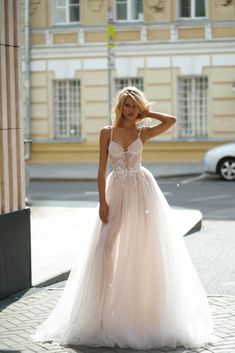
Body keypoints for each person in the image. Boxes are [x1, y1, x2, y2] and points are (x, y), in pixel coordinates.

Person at [33, 86, 214, 350]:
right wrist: (102, 202)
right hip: (116, 191)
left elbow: (171, 121)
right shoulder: (106, 132)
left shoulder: (143, 131)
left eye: (134, 106)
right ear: (120, 107)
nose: (130, 110)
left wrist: (146, 112)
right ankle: (101, 308)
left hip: (143, 193)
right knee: (103, 247)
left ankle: (141, 311)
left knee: (143, 251)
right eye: (127, 105)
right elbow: (100, 169)